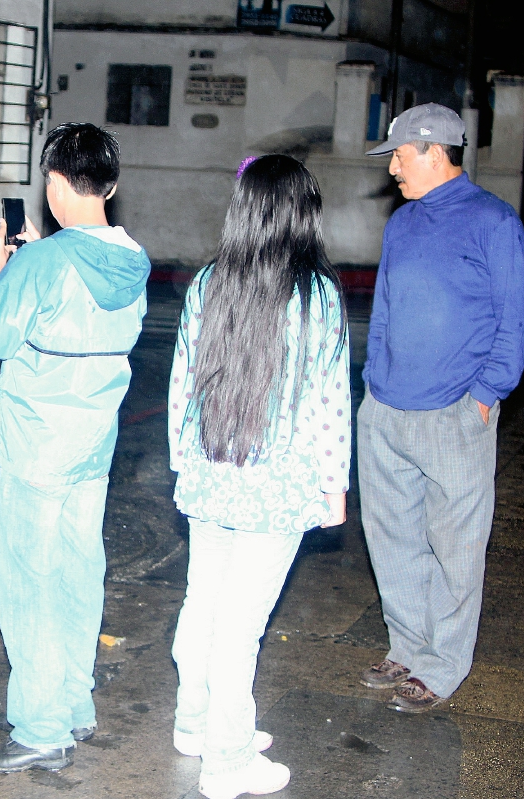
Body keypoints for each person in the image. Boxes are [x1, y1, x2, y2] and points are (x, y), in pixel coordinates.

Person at [0, 122, 151, 773]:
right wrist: (44, 259)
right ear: (112, 184)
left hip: (39, 440)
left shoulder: (44, 262)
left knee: (28, 579)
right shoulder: (131, 260)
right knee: (77, 570)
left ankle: (40, 725)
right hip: (94, 441)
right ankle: (72, 704)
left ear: (52, 182)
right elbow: (77, 292)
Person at [168, 154, 350, 799]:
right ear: (303, 213)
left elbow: (182, 387)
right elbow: (327, 399)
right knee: (240, 626)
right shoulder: (316, 295)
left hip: (210, 474)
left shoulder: (208, 281)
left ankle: (194, 722)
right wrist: (334, 487)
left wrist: (182, 463)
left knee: (205, 605)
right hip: (276, 487)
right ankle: (227, 760)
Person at [357, 104, 524, 712]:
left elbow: (515, 323)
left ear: (433, 150)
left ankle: (442, 666)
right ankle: (406, 645)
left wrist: (483, 400)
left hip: (454, 415)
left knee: (456, 548)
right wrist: (372, 382)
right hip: (385, 412)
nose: (394, 169)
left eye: (400, 156)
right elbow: (382, 309)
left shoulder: (493, 222)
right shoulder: (402, 223)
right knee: (392, 538)